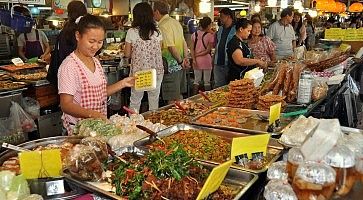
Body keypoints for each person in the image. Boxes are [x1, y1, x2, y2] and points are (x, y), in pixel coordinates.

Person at [58, 14, 134, 135]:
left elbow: (100, 93)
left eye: (100, 42)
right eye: (91, 41)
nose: (95, 46)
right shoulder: (69, 66)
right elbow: (66, 105)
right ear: (78, 36)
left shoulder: (96, 61)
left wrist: (123, 83)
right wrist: (93, 114)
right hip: (79, 130)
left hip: (97, 128)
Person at [125, 2, 163, 113]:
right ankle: (153, 126)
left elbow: (127, 54)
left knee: (135, 101)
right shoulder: (157, 31)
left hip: (139, 73)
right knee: (154, 101)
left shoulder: (132, 32)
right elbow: (159, 49)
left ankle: (132, 126)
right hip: (155, 71)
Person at [153, 1, 190, 104]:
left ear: (156, 12)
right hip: (180, 67)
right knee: (179, 96)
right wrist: (185, 59)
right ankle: (182, 117)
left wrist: (180, 61)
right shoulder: (175, 22)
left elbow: (170, 47)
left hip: (171, 67)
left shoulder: (163, 26)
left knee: (172, 99)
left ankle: (175, 119)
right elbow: (184, 42)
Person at [47, 0, 88, 87]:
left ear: (69, 13)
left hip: (64, 75)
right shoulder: (83, 30)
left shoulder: (64, 31)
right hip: (80, 75)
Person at [191, 16, 215, 93]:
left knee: (196, 80)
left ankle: (193, 97)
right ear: (208, 26)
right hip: (206, 60)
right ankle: (207, 98)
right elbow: (208, 50)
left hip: (196, 61)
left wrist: (194, 58)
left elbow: (191, 49)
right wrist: (198, 55)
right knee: (207, 81)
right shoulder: (210, 36)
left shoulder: (194, 35)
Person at [214, 8, 236, 88]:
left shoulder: (236, 29)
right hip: (218, 62)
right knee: (218, 87)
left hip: (229, 63)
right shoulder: (220, 29)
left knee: (230, 87)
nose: (221, 19)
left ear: (228, 17)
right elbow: (218, 44)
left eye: (222, 17)